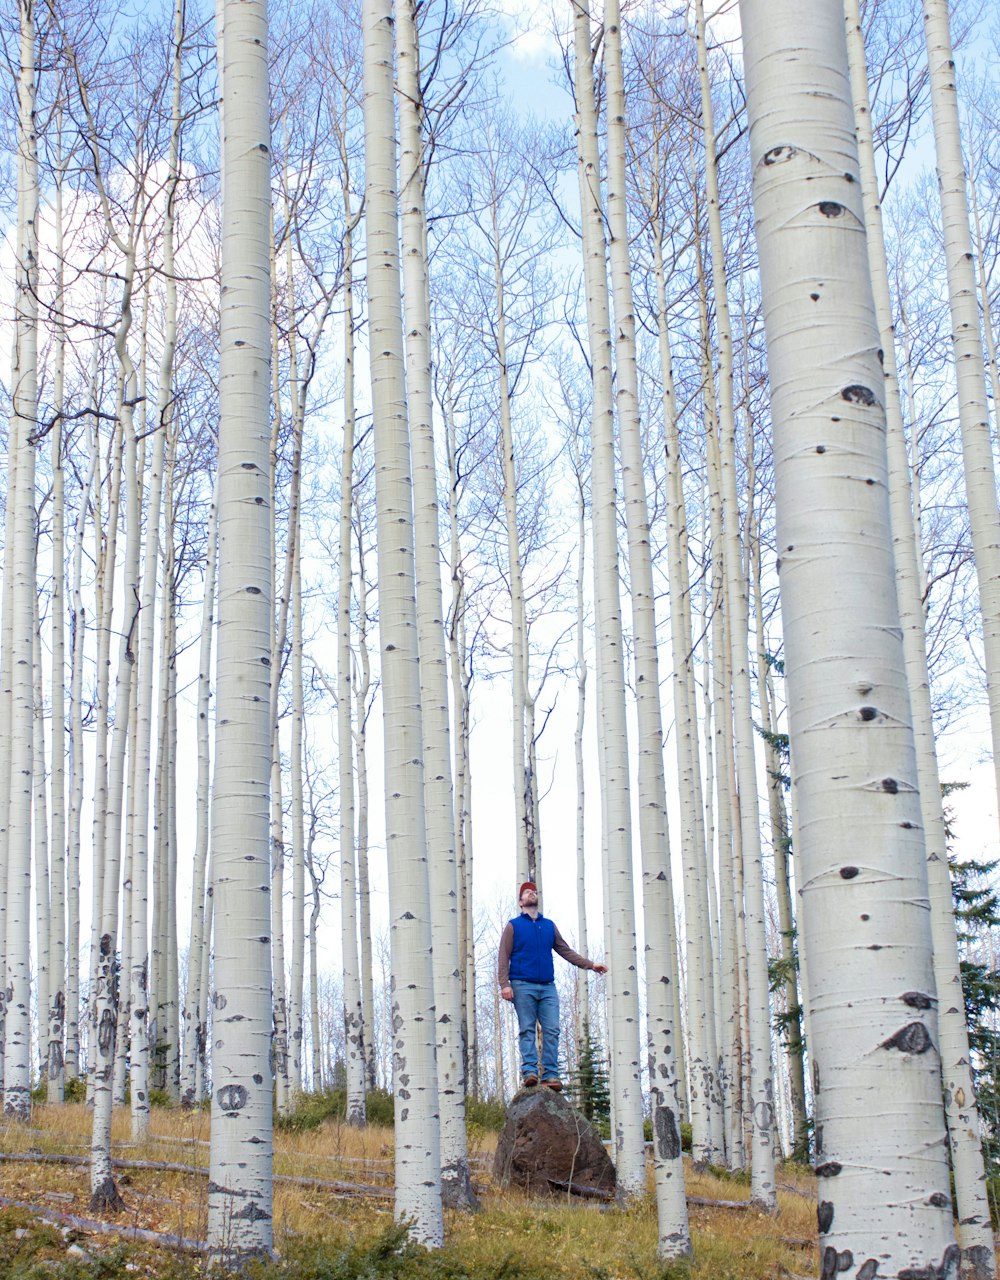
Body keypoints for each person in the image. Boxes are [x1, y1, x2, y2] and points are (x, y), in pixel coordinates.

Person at [497, 881, 608, 1091]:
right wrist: (505, 984)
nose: (532, 893)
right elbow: (504, 956)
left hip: (547, 986)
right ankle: (530, 1071)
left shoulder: (548, 926)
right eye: (527, 892)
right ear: (521, 902)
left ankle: (550, 1074)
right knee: (527, 1029)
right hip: (522, 984)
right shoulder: (514, 926)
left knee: (552, 1030)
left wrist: (591, 965)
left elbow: (565, 950)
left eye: (534, 891)